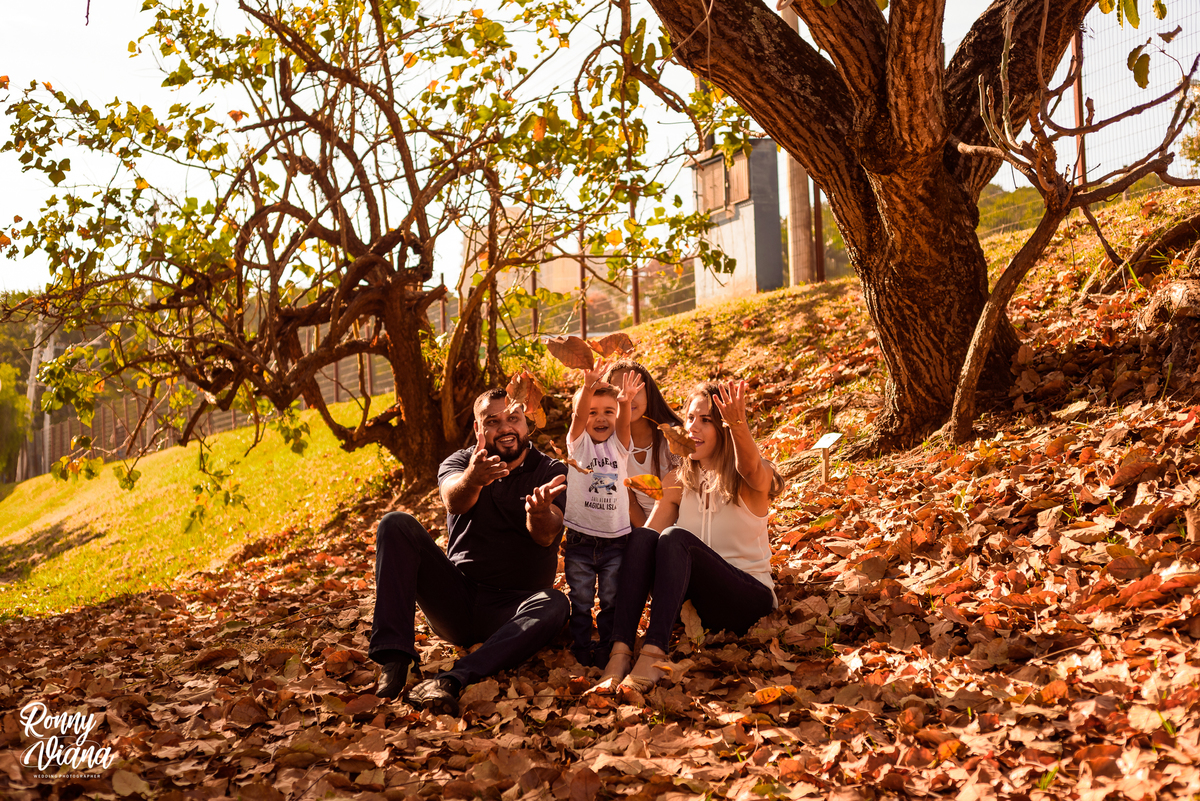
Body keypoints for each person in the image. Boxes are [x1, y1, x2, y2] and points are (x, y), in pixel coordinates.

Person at [369, 388, 569, 714]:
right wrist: (473, 479)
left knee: (556, 603)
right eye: (493, 421)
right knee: (395, 523)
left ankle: (452, 679)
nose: (505, 427)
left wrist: (538, 513)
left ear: (526, 425)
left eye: (513, 418)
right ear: (478, 429)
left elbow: (547, 536)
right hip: (457, 599)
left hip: (514, 610)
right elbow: (453, 499)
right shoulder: (461, 461)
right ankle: (394, 659)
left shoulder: (549, 471)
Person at [599, 379, 784, 690]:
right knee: (644, 538)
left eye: (707, 420)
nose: (694, 427)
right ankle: (620, 652)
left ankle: (654, 654)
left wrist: (739, 425)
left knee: (674, 537)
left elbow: (751, 468)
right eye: (690, 418)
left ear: (724, 427)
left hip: (748, 601)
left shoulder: (749, 479)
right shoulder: (676, 481)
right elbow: (646, 551)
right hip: (698, 612)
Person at [562, 363, 644, 666]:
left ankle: (609, 646)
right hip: (580, 539)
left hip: (615, 541)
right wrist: (587, 387)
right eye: (593, 411)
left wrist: (624, 402)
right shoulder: (578, 444)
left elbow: (624, 425)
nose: (600, 418)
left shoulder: (619, 447)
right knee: (581, 599)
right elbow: (579, 417)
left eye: (608, 411)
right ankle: (582, 647)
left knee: (611, 598)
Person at [602, 360, 683, 527]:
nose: (627, 397)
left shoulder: (673, 435)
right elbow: (630, 503)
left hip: (683, 525)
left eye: (635, 389)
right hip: (642, 528)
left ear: (649, 392)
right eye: (618, 392)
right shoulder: (611, 445)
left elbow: (686, 495)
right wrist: (648, 538)